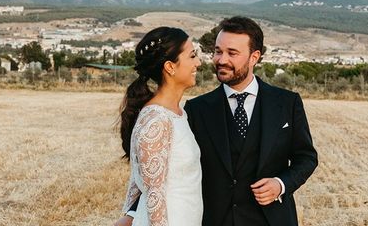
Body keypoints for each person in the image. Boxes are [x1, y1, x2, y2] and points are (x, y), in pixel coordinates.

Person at [117, 16, 318, 226]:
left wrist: (281, 184)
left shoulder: (287, 102)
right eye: (218, 51)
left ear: (254, 57)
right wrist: (132, 214)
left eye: (232, 53)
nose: (221, 60)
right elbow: (162, 168)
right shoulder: (195, 110)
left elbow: (306, 157)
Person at [117, 26, 202, 226]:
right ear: (170, 67)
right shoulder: (157, 121)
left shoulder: (178, 113)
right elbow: (154, 195)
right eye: (191, 56)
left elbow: (139, 181)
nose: (198, 62)